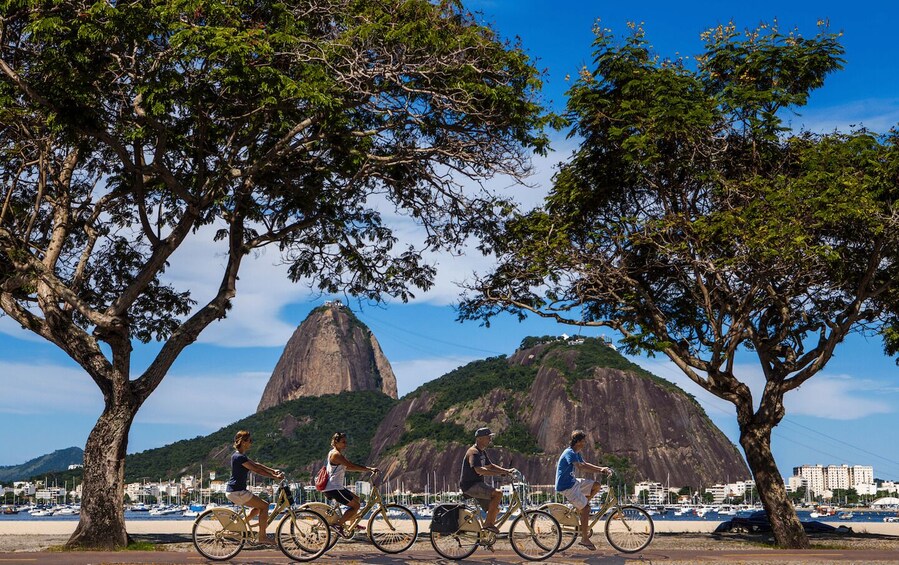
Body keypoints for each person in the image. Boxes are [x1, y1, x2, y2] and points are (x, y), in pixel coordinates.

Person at [225, 430, 285, 545]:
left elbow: (257, 465)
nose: (251, 443)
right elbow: (256, 470)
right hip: (237, 491)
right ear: (243, 442)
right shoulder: (239, 457)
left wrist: (273, 470)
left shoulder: (240, 455)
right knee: (265, 506)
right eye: (249, 441)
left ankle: (238, 527)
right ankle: (262, 537)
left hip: (236, 491)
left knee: (258, 508)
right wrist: (274, 477)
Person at [555, 429, 611, 551]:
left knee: (596, 485)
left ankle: (581, 508)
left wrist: (601, 468)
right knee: (586, 508)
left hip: (573, 482)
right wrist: (600, 470)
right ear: (578, 441)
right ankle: (584, 538)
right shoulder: (569, 452)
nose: (585, 443)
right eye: (583, 441)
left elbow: (584, 463)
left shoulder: (577, 452)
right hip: (566, 486)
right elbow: (581, 467)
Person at [459, 427, 516, 533]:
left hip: (477, 484)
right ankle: (488, 525)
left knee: (495, 509)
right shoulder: (474, 452)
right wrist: (500, 473)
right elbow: (479, 470)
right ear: (480, 439)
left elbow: (490, 466)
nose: (490, 439)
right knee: (498, 494)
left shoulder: (482, 452)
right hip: (470, 486)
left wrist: (507, 471)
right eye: (488, 437)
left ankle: (485, 535)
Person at [323, 432, 379, 536]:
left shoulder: (333, 453)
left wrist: (364, 470)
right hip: (334, 488)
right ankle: (338, 524)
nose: (345, 444)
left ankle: (353, 524)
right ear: (336, 442)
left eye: (346, 442)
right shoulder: (336, 455)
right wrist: (369, 469)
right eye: (343, 442)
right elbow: (351, 465)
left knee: (356, 498)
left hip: (336, 487)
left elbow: (347, 468)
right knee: (356, 506)